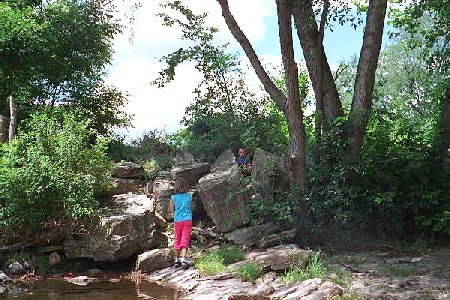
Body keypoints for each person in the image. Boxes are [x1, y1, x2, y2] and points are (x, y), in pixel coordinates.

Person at [171, 177, 193, 269]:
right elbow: (189, 206)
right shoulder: (189, 196)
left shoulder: (173, 197)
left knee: (177, 239)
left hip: (177, 220)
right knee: (185, 239)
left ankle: (177, 260)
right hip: (187, 220)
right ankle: (183, 259)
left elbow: (173, 209)